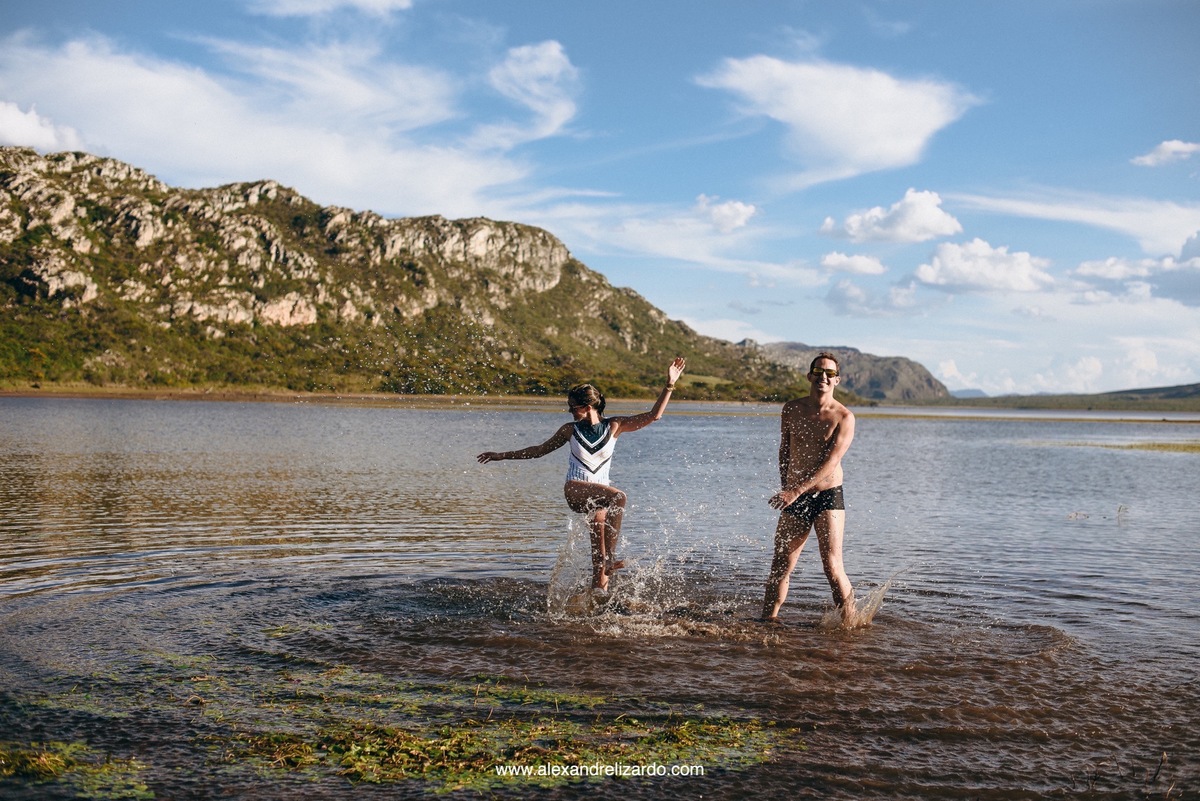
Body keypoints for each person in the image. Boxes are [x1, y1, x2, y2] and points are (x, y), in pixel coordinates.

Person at [478, 357, 687, 593]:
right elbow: (538, 450)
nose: (569, 411)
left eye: (573, 407)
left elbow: (654, 415)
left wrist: (669, 384)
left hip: (599, 498)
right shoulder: (570, 430)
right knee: (619, 497)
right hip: (575, 489)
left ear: (588, 407)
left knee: (599, 558)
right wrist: (501, 455)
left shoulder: (615, 426)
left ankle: (597, 597)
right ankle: (611, 560)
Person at [761, 351, 857, 625]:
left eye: (829, 373)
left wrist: (795, 491)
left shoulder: (844, 417)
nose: (823, 377)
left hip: (828, 496)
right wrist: (786, 486)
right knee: (781, 565)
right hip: (794, 496)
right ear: (809, 376)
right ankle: (767, 623)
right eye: (818, 372)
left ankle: (851, 626)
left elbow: (831, 462)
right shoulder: (792, 409)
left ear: (837, 380)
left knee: (832, 566)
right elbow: (785, 449)